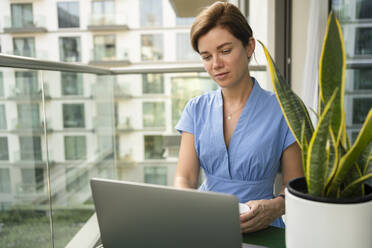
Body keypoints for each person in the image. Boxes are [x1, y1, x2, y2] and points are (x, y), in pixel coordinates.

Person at [173, 2, 304, 233]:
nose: (216, 65)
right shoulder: (195, 109)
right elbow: (185, 178)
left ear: (249, 46)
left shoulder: (284, 109)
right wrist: (190, 210)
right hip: (203, 224)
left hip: (262, 227)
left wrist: (276, 207)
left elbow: (294, 186)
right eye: (206, 56)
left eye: (225, 51)